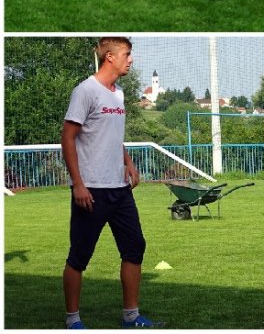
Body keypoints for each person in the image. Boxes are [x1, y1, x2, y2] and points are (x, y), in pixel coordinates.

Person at [61, 37, 161, 329]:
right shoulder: (85, 91)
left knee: (135, 248)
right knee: (79, 257)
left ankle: (131, 316)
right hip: (90, 190)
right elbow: (67, 138)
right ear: (110, 57)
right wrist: (78, 184)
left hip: (120, 190)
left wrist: (128, 164)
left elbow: (114, 137)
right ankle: (73, 320)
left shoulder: (118, 94)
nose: (131, 60)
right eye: (127, 55)